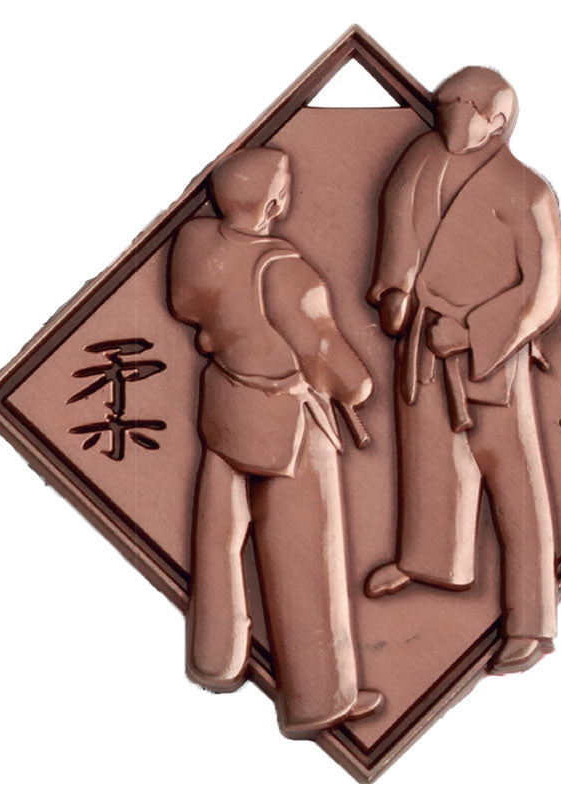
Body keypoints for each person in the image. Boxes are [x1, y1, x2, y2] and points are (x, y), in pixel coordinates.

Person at [168, 147, 383, 735]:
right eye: (283, 186)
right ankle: (317, 698)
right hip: (287, 423)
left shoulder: (194, 246)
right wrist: (356, 385)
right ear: (273, 203)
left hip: (225, 404)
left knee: (218, 539)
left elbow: (186, 307)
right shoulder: (286, 271)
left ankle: (215, 658)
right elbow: (333, 362)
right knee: (304, 557)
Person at [364, 67, 561, 674]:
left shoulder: (527, 192)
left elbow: (544, 291)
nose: (450, 116)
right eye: (445, 103)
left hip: (491, 355)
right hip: (424, 341)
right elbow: (399, 223)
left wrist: (474, 332)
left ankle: (531, 619)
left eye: (466, 108)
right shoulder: (420, 159)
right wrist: (394, 288)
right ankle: (432, 562)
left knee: (513, 477)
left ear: (497, 121)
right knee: (431, 457)